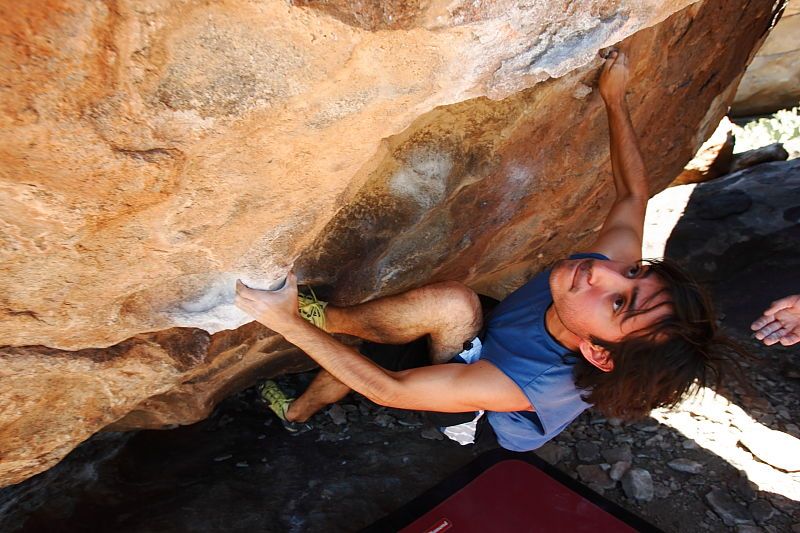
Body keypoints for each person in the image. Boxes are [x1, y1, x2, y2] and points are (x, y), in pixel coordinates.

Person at [235, 50, 725, 451]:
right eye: (636, 271)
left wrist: (284, 323)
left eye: (619, 302)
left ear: (597, 351)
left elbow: (392, 389)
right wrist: (615, 100)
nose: (604, 273)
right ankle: (303, 402)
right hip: (498, 340)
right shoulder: (596, 282)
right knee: (406, 329)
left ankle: (315, 334)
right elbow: (631, 197)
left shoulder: (528, 386)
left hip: (481, 411)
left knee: (440, 316)